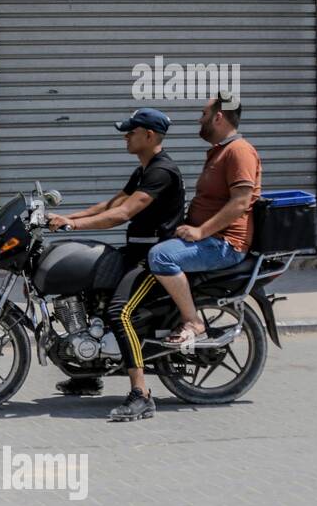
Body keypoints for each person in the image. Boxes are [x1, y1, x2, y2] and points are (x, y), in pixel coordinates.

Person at [47, 108, 184, 422]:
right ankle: (87, 373)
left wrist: (75, 226)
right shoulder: (143, 170)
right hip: (134, 252)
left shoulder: (162, 171)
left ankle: (141, 394)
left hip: (153, 259)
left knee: (118, 312)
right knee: (88, 290)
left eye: (130, 131)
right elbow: (110, 204)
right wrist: (63, 218)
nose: (125, 136)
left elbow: (123, 214)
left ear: (149, 136)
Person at [148, 93, 262, 350]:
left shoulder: (239, 151)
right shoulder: (221, 152)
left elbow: (241, 202)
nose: (200, 120)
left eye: (204, 115)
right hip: (212, 239)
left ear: (218, 117)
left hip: (224, 244)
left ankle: (193, 322)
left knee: (161, 257)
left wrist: (200, 231)